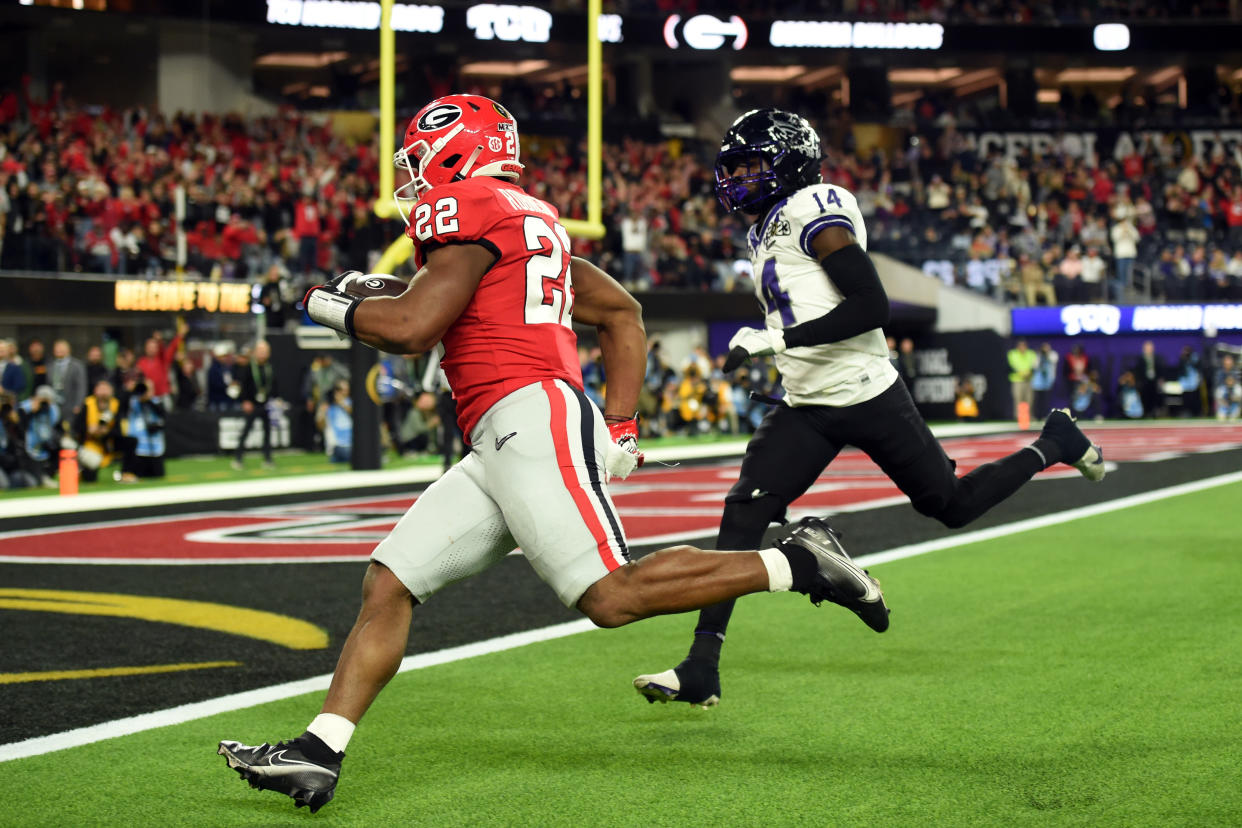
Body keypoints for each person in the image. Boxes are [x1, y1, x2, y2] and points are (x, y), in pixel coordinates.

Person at [217, 95, 892, 814]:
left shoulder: (470, 207)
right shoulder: (525, 220)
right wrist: (623, 427)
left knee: (611, 596)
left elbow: (413, 325)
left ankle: (800, 562)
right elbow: (616, 311)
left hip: (529, 416)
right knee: (390, 580)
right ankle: (320, 750)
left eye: (419, 160)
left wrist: (322, 301)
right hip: (503, 434)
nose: (414, 178)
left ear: (458, 152)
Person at [631, 108, 1106, 710]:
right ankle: (702, 665)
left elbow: (871, 303)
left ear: (790, 161)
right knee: (742, 516)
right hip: (805, 403)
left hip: (865, 391)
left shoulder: (813, 206)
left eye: (753, 164)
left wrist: (777, 341)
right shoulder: (765, 227)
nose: (740, 177)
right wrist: (783, 350)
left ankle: (1054, 443)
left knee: (951, 506)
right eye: (738, 166)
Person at [231, 339, 278, 470]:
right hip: (252, 404)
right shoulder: (248, 367)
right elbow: (242, 385)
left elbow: (274, 385)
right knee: (246, 431)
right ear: (255, 352)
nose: (263, 354)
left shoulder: (269, 367)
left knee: (268, 432)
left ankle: (268, 459)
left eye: (265, 351)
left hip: (266, 405)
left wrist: (275, 399)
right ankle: (238, 458)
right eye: (260, 351)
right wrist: (245, 401)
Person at [1007, 338, 1038, 422]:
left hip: (1029, 379)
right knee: (1018, 398)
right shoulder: (1012, 354)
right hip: (1017, 380)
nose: (1022, 347)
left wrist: (1029, 372)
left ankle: (1029, 416)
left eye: (1024, 345)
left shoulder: (1031, 354)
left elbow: (1035, 365)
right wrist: (1021, 373)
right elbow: (1011, 365)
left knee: (1029, 399)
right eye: (1020, 345)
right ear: (1017, 346)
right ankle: (1018, 417)